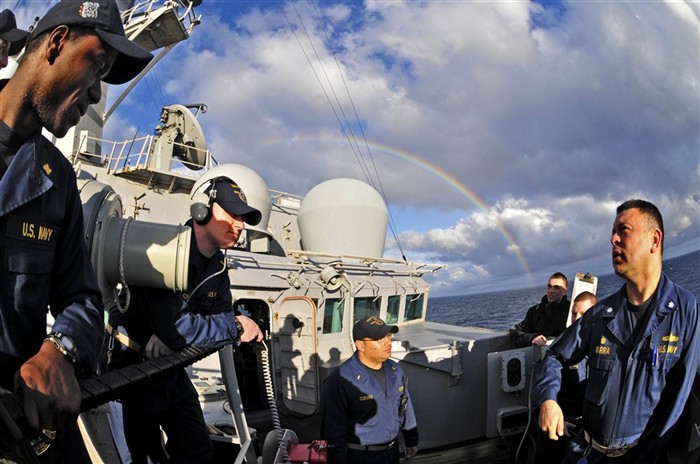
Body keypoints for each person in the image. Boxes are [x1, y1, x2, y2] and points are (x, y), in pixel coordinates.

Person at [0, 0, 152, 461]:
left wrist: (59, 350)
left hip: (18, 418)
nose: (95, 95)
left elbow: (82, 299)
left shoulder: (57, 179)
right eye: (98, 65)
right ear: (58, 41)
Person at [108, 177, 265, 464]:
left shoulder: (218, 266)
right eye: (232, 214)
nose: (241, 224)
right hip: (131, 373)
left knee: (197, 450)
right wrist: (238, 325)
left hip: (171, 370)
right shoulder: (164, 251)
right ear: (202, 212)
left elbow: (204, 322)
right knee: (143, 456)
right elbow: (182, 329)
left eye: (243, 218)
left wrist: (175, 337)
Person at [534, 199, 700, 464]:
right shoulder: (600, 316)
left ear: (654, 240)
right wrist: (548, 399)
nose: (613, 239)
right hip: (587, 454)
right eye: (613, 231)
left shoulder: (684, 309)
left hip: (643, 456)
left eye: (624, 230)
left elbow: (679, 398)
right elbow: (555, 355)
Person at [320, 316, 419, 464]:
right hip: (361, 457)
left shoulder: (395, 370)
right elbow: (333, 434)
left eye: (388, 336)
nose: (388, 342)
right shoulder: (339, 382)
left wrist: (411, 440)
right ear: (360, 345)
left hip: (392, 453)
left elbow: (405, 407)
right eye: (379, 339)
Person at [532, 291, 598, 464]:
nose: (577, 318)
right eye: (574, 313)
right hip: (559, 425)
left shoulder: (604, 347)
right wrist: (549, 404)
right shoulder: (562, 345)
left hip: (588, 430)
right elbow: (548, 374)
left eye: (584, 314)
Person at [510, 272, 570, 348]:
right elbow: (516, 332)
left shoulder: (572, 312)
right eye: (549, 286)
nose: (551, 291)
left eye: (556, 288)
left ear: (564, 291)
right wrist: (533, 338)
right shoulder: (534, 311)